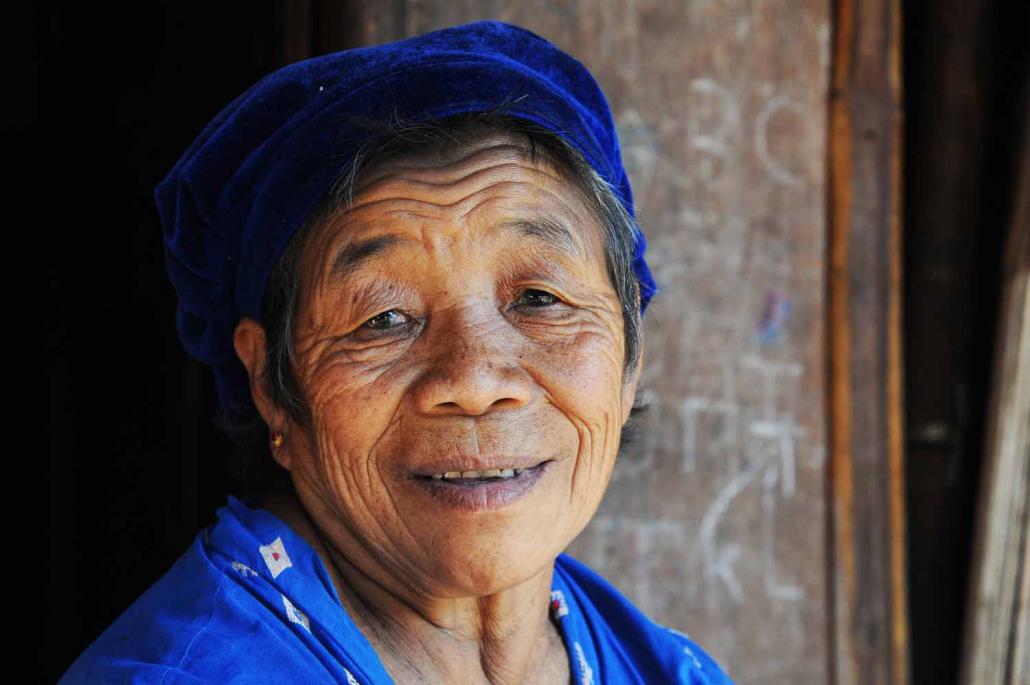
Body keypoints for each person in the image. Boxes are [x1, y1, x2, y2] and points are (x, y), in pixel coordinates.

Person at [60, 20, 735, 684]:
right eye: (384, 317)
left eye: (539, 297)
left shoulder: (668, 671)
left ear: (628, 359)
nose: (473, 379)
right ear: (270, 381)